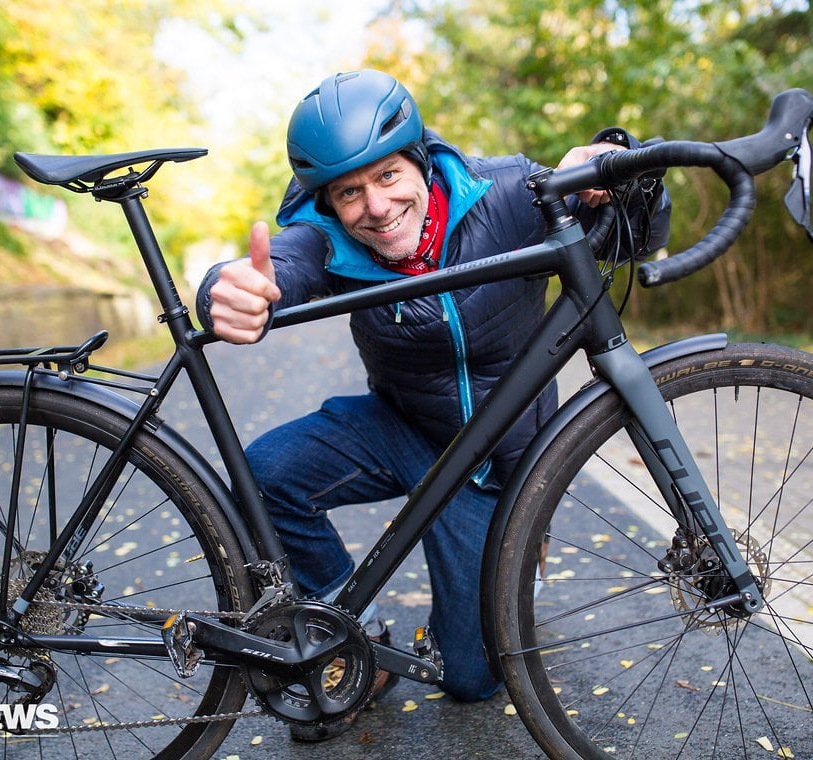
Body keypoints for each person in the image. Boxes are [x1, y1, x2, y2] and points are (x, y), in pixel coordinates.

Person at [195, 69, 670, 741]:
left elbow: (637, 234)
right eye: (349, 192)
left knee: (472, 680)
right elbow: (275, 269)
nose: (376, 207)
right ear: (329, 203)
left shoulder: (510, 195)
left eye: (388, 177)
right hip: (403, 428)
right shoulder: (329, 240)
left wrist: (615, 165)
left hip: (499, 463)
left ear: (419, 160)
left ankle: (515, 537)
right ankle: (354, 639)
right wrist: (228, 288)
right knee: (266, 474)